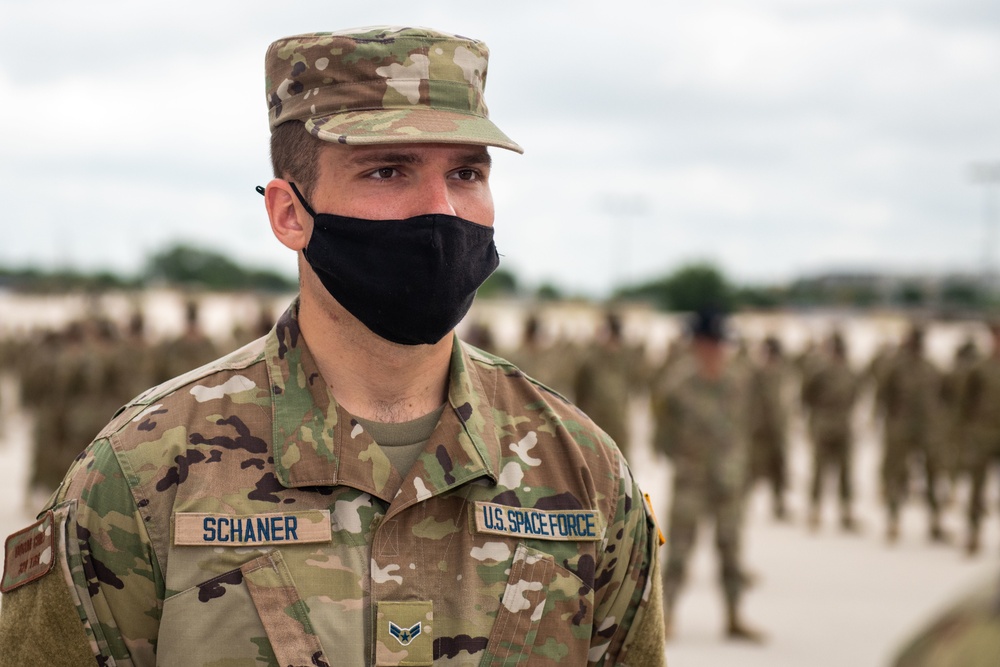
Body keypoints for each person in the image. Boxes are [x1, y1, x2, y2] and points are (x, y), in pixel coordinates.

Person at [0, 27, 666, 666]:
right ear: (290, 214)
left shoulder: (583, 472)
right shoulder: (146, 471)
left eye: (466, 174)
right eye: (386, 171)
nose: (441, 211)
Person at [652, 310, 763, 642]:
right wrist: (686, 460)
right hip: (692, 480)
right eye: (709, 343)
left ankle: (733, 616)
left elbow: (750, 423)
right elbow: (663, 432)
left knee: (731, 549)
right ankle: (665, 617)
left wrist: (740, 464)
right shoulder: (678, 383)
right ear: (697, 345)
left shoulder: (739, 379)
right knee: (680, 551)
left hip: (729, 480)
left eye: (719, 344)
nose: (715, 350)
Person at [876, 325, 948, 544]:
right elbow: (883, 396)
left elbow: (943, 397)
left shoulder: (931, 368)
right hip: (901, 429)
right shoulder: (895, 368)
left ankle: (935, 521)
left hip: (927, 431)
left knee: (933, 475)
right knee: (896, 475)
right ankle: (893, 520)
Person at [800, 332, 860, 531]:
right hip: (826, 424)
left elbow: (855, 396)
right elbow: (807, 395)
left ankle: (843, 511)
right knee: (821, 470)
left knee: (843, 470)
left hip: (837, 424)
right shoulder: (822, 372)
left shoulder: (848, 372)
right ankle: (816, 510)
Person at [957, 323, 1000, 556]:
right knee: (977, 488)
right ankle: (973, 533)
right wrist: (964, 437)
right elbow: (964, 406)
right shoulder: (979, 370)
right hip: (982, 437)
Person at [745, 335, 791, 520]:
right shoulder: (756, 374)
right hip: (759, 429)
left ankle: (779, 504)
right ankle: (744, 503)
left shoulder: (781, 373)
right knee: (753, 468)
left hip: (777, 428)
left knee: (778, 468)